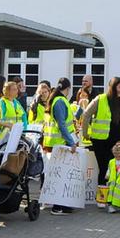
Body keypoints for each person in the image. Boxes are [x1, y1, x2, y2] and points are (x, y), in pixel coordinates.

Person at [81, 77, 120, 185]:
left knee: (119, 168)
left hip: (119, 140)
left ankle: (114, 195)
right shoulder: (100, 99)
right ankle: (102, 197)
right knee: (104, 168)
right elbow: (86, 115)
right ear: (113, 87)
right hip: (101, 141)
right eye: (119, 87)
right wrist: (85, 133)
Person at [41, 78, 79, 214]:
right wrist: (71, 142)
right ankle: (58, 206)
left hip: (54, 143)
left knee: (59, 175)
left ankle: (61, 203)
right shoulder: (60, 101)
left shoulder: (55, 100)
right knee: (60, 175)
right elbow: (62, 125)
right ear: (68, 89)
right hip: (60, 144)